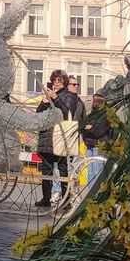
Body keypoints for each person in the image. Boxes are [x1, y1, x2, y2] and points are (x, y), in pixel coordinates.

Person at [35, 69, 83, 207]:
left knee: (63, 168)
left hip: (61, 136)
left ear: (64, 82)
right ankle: (46, 197)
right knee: (46, 169)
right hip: (47, 136)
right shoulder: (49, 94)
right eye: (54, 80)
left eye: (60, 80)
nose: (56, 83)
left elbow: (67, 112)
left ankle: (66, 199)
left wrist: (55, 98)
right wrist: (44, 101)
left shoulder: (69, 95)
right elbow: (39, 112)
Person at [81, 89, 112, 187]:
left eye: (93, 100)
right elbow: (83, 127)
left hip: (99, 145)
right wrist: (86, 131)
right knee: (90, 171)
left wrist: (90, 128)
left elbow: (99, 131)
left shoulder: (105, 115)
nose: (91, 102)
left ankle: (97, 191)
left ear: (97, 102)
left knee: (98, 170)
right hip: (89, 144)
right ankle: (90, 190)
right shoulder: (91, 114)